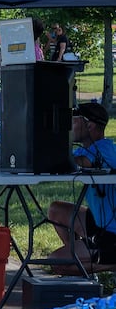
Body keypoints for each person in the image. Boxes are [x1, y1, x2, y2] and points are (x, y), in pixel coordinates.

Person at [48, 102, 116, 271]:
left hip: (112, 233)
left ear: (90, 125)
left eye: (73, 121)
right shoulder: (86, 149)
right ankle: (84, 255)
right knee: (56, 209)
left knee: (57, 262)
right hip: (99, 223)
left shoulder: (106, 148)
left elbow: (84, 163)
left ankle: (109, 261)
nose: (69, 125)